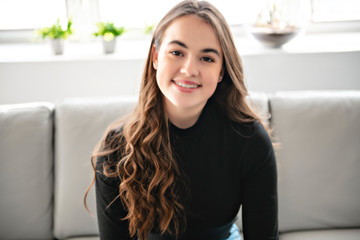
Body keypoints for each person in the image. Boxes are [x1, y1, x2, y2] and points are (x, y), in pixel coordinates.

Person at [84, 1, 278, 239]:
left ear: (221, 72)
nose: (189, 69)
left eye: (206, 58)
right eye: (177, 52)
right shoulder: (116, 149)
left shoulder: (250, 141)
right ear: (156, 57)